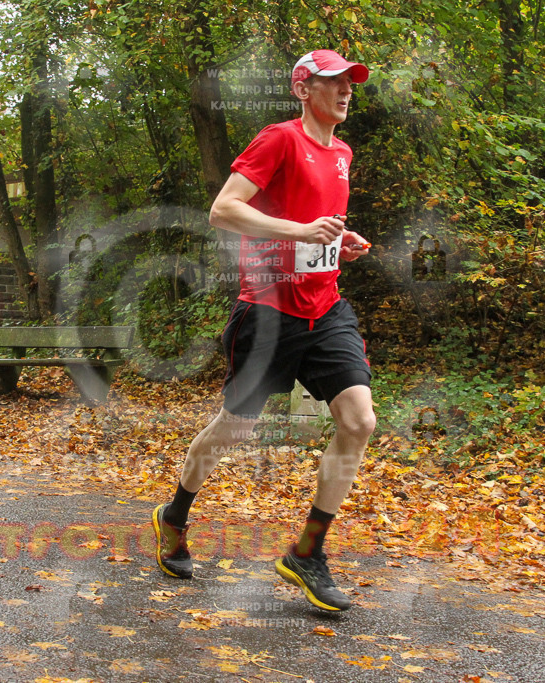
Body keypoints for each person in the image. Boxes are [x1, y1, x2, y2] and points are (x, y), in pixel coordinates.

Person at [152, 50, 376, 612]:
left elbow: (313, 227)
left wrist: (336, 242)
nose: (346, 91)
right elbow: (224, 210)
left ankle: (308, 552)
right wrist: (300, 231)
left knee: (358, 420)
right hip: (268, 313)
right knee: (235, 430)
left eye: (351, 83)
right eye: (333, 83)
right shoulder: (278, 139)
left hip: (325, 308)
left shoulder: (343, 153)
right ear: (304, 89)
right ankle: (175, 512)